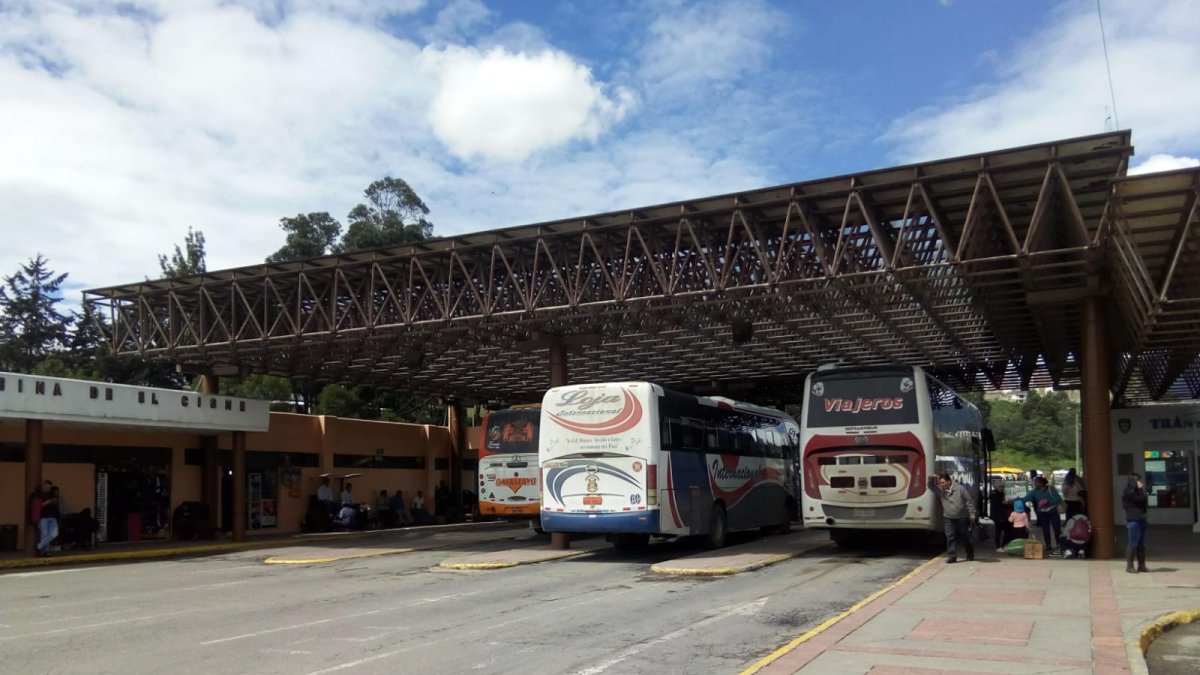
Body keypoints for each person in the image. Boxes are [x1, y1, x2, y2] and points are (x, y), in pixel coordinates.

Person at [928, 473, 977, 563]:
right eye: (940, 483)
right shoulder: (940, 490)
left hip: (962, 518)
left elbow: (968, 501)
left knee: (965, 537)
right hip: (948, 518)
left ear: (949, 481)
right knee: (950, 537)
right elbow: (931, 486)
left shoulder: (960, 489)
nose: (941, 485)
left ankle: (970, 554)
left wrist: (972, 513)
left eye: (943, 482)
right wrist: (930, 478)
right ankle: (952, 556)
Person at [1025, 476, 1063, 555]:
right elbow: (1026, 498)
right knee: (1045, 529)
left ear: (1041, 483)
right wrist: (1017, 500)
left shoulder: (1050, 489)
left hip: (1053, 511)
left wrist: (1048, 503)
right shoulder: (1035, 491)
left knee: (1057, 529)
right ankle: (1048, 545)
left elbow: (1058, 498)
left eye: (1036, 482)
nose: (1034, 484)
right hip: (1042, 512)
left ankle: (1059, 545)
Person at [1122, 472, 1149, 573]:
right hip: (1133, 519)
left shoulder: (1139, 490)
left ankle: (1141, 565)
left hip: (1141, 517)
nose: (1141, 482)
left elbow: (1144, 499)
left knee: (1141, 543)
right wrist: (1139, 488)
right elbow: (1141, 499)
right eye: (1139, 480)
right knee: (1132, 542)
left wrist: (1140, 488)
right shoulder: (1129, 492)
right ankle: (1130, 566)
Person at [37, 483, 61, 557]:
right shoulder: (39, 495)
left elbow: (57, 506)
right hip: (43, 517)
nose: (48, 488)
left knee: (54, 534)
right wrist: (47, 502)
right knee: (44, 534)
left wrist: (54, 501)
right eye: (46, 487)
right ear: (43, 486)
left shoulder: (52, 495)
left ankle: (39, 545)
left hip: (53, 517)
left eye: (49, 487)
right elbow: (38, 506)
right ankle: (45, 552)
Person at [989, 483, 1012, 553]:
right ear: (996, 487)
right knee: (998, 531)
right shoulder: (994, 494)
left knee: (1007, 530)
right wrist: (1005, 503)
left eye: (1002, 487)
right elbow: (997, 503)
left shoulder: (1001, 494)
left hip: (1002, 515)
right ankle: (998, 546)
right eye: (1000, 487)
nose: (1002, 488)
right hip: (997, 515)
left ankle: (1003, 544)